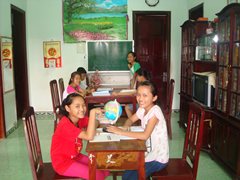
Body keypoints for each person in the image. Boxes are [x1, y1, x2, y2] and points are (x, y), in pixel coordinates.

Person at [107, 81, 169, 180]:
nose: (140, 98)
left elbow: (145, 135)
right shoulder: (142, 109)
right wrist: (126, 126)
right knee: (126, 175)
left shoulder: (155, 112)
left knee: (130, 178)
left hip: (157, 158)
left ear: (154, 98)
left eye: (145, 95)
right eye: (138, 95)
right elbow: (131, 119)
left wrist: (120, 131)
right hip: (147, 154)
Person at [50, 93, 110, 179]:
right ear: (68, 108)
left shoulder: (78, 119)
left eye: (83, 105)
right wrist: (92, 113)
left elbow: (96, 122)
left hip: (75, 156)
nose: (82, 109)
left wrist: (90, 127)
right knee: (97, 175)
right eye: (77, 106)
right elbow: (89, 136)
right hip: (63, 163)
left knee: (103, 167)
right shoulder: (65, 124)